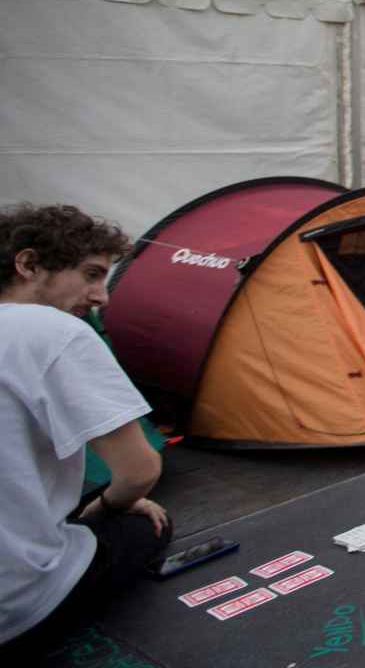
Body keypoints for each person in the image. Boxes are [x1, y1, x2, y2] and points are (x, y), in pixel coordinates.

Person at [1, 205, 171, 656]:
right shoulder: (55, 330)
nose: (102, 297)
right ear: (29, 264)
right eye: (91, 274)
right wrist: (103, 509)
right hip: (16, 608)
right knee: (148, 522)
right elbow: (139, 470)